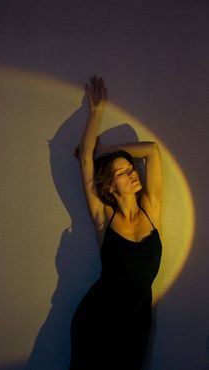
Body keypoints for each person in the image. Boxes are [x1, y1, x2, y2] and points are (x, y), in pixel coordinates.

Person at [69, 76, 162, 370]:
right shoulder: (104, 219)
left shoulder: (151, 208)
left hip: (135, 326)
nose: (133, 173)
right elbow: (84, 161)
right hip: (96, 321)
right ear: (109, 187)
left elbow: (151, 151)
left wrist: (105, 152)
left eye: (130, 168)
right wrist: (96, 113)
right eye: (122, 172)